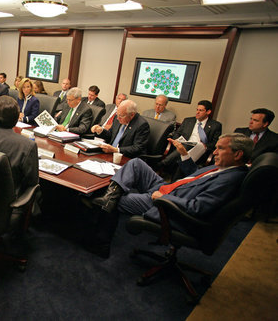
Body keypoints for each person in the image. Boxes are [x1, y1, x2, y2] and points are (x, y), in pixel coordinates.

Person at [83, 133, 252, 258]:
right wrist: (184, 154)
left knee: (119, 201)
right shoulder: (223, 167)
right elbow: (196, 176)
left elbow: (197, 208)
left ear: (238, 154)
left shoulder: (230, 179)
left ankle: (101, 243)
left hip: (167, 205)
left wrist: (162, 198)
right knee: (136, 163)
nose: (214, 152)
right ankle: (110, 198)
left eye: (220, 149)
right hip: (168, 187)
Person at [160, 100, 222, 169]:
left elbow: (215, 143)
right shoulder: (188, 121)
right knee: (184, 151)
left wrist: (205, 145)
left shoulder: (215, 125)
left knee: (184, 150)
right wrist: (177, 141)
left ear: (208, 112)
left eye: (201, 110)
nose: (197, 112)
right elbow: (177, 133)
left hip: (200, 151)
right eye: (197, 110)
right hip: (183, 146)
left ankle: (162, 164)